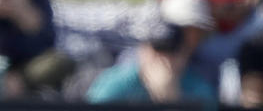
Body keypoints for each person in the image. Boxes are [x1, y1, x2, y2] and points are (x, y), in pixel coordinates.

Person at [86, 18, 216, 106]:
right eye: (157, 52)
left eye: (171, 53)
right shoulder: (117, 84)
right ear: (143, 51)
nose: (164, 60)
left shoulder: (200, 90)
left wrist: (171, 99)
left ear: (184, 55)